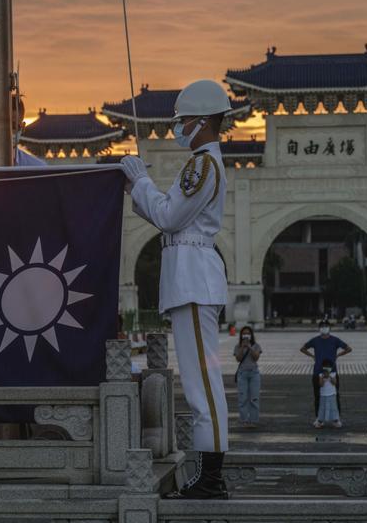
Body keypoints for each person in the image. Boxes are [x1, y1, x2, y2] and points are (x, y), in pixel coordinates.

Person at [119, 79, 231, 500]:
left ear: (203, 123)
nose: (178, 129)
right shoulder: (203, 165)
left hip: (194, 281)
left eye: (183, 122)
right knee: (200, 381)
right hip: (189, 279)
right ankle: (208, 473)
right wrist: (139, 188)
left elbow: (168, 216)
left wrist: (141, 180)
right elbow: (169, 214)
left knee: (204, 381)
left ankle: (212, 478)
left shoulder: (203, 165)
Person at [300, 320, 352, 421]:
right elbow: (303, 348)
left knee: (335, 395)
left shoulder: (335, 340)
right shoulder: (315, 340)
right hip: (318, 372)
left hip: (332, 371)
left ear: (330, 328)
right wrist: (312, 356)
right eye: (322, 326)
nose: (324, 328)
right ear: (319, 328)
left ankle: (336, 418)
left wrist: (338, 355)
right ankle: (319, 418)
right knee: (318, 396)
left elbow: (348, 348)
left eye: (326, 326)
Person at [234, 326, 262, 427]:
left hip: (254, 373)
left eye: (248, 334)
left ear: (251, 335)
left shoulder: (256, 345)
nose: (246, 336)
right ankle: (244, 420)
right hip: (242, 374)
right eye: (244, 334)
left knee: (254, 398)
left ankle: (253, 420)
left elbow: (256, 358)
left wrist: (250, 347)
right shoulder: (238, 346)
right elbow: (238, 358)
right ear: (241, 335)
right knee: (243, 398)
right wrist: (242, 347)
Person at [315, 358, 341, 428]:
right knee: (322, 407)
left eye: (328, 367)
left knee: (333, 407)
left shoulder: (333, 374)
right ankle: (320, 421)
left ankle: (336, 420)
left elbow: (335, 383)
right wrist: (323, 377)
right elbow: (321, 384)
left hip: (332, 394)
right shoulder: (320, 375)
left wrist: (329, 376)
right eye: (325, 367)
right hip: (323, 394)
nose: (327, 369)